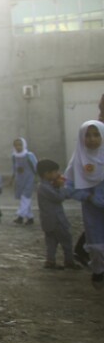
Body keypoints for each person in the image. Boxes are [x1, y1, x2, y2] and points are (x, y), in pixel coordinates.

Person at [65, 120, 104, 289]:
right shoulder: (78, 161)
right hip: (92, 211)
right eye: (87, 135)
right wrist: (88, 197)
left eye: (96, 134)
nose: (92, 139)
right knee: (97, 245)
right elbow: (68, 187)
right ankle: (98, 271)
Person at [35, 159, 77, 270]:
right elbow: (59, 197)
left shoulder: (45, 186)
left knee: (51, 242)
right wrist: (62, 186)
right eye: (54, 172)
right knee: (66, 240)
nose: (57, 174)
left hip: (48, 220)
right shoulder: (44, 187)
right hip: (56, 220)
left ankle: (51, 261)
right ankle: (69, 261)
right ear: (46, 174)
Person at [11, 138, 38, 225]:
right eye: (16, 145)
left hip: (29, 178)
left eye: (20, 144)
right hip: (20, 179)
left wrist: (37, 177)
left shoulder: (29, 155)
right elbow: (14, 168)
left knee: (25, 197)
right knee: (24, 198)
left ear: (24, 145)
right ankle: (30, 218)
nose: (18, 147)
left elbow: (35, 166)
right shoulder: (14, 156)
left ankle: (20, 216)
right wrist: (12, 179)